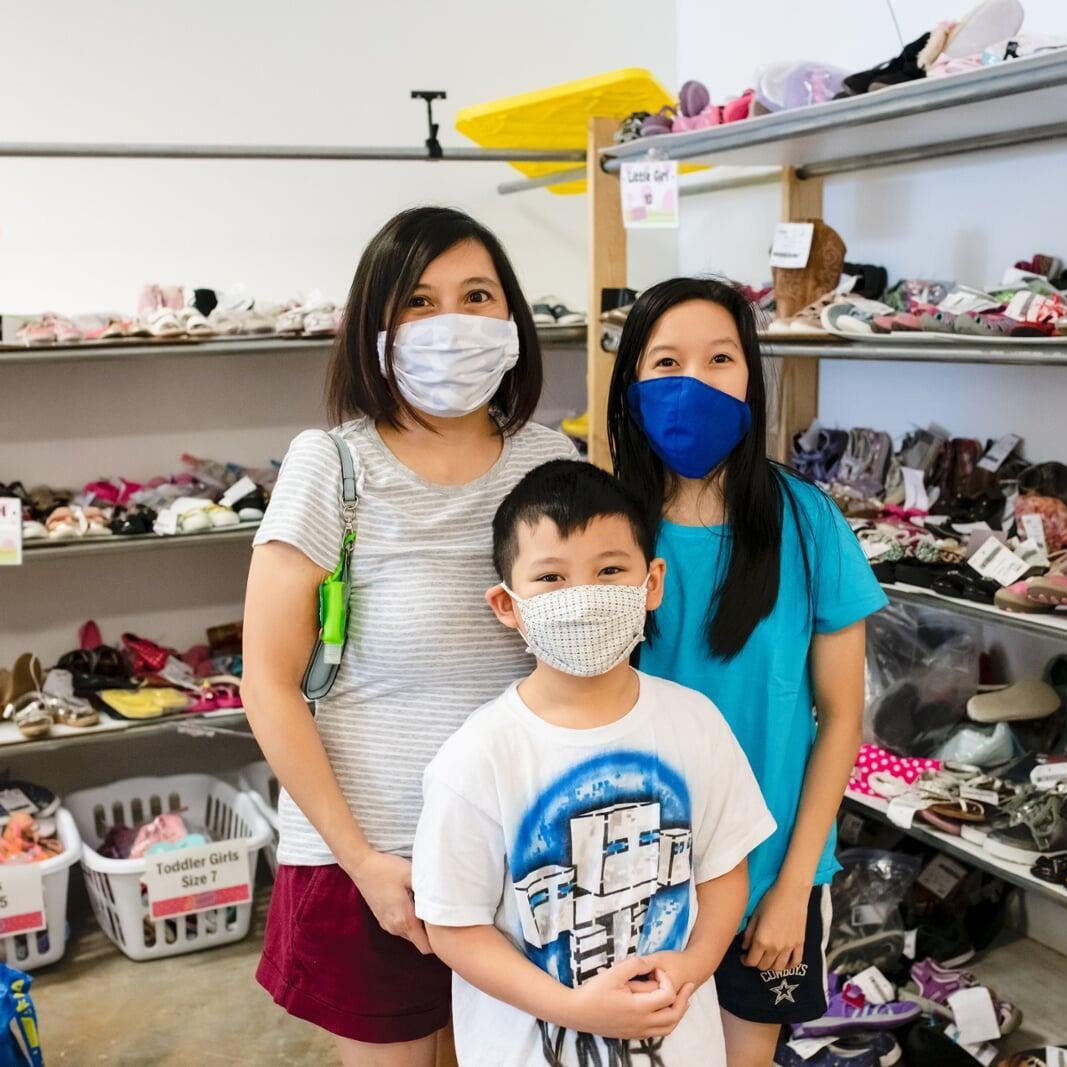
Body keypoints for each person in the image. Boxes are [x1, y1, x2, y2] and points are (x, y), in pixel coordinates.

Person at [242, 206, 576, 1067]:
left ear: (511, 321)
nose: (452, 322)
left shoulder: (554, 466)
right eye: (419, 303)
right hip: (372, 858)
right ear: (376, 327)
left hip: (515, 854)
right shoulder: (333, 466)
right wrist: (362, 861)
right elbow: (269, 683)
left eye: (476, 295)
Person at [606, 277, 887, 1065]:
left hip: (770, 879)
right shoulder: (603, 529)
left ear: (751, 378)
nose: (692, 382)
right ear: (629, 383)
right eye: (666, 361)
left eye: (720, 358)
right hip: (629, 881)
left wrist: (795, 886)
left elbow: (840, 716)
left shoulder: (809, 523)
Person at [413, 459, 775, 1067]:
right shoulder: (477, 758)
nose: (583, 598)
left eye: (610, 570)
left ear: (651, 583)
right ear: (508, 604)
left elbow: (722, 868)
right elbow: (454, 927)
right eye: (551, 578)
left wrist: (695, 964)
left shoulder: (697, 724)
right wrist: (575, 1009)